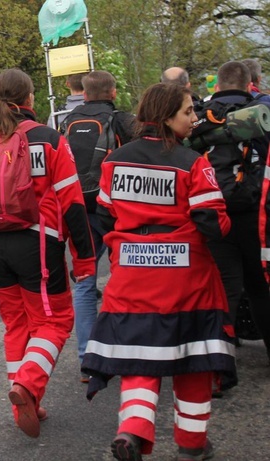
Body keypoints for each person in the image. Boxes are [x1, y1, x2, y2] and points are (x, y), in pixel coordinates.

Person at [81, 83, 237, 461]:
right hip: (187, 280)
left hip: (132, 276)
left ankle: (131, 431)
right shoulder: (191, 162)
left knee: (139, 357)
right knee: (193, 362)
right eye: (187, 112)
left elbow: (104, 214)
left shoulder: (115, 161)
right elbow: (212, 223)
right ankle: (191, 444)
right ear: (167, 116)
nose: (194, 118)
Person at [0, 68, 95, 438]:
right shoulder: (49, 140)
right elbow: (73, 204)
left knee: (16, 325)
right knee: (55, 322)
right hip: (38, 247)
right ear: (29, 100)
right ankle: (27, 386)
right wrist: (85, 258)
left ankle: (26, 404)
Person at [58, 70, 135, 381]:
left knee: (85, 281)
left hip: (77, 209)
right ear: (113, 92)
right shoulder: (123, 121)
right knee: (124, 280)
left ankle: (87, 358)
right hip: (113, 210)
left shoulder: (65, 122)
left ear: (84, 94)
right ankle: (125, 351)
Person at [200, 61, 270, 363]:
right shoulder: (259, 114)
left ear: (217, 84)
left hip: (213, 210)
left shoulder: (200, 116)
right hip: (255, 212)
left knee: (223, 285)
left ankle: (221, 362)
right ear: (248, 83)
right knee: (259, 285)